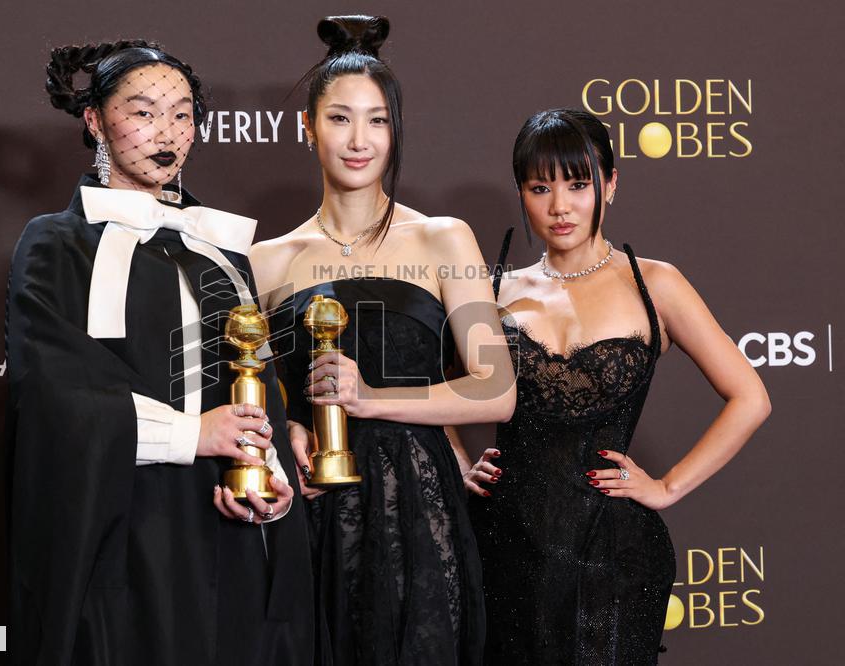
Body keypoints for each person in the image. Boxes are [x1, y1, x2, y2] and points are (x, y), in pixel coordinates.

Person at [5, 40, 313, 665]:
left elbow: (257, 384)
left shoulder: (219, 250)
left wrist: (270, 478)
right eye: (143, 112)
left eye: (181, 114)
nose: (165, 132)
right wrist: (192, 435)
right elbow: (54, 391)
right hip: (119, 522)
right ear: (94, 119)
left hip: (223, 524)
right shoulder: (56, 243)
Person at [250, 15, 514, 666]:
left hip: (416, 516)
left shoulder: (441, 238)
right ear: (307, 127)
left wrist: (371, 397)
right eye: (340, 119)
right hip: (309, 517)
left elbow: (496, 389)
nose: (359, 139)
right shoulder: (264, 261)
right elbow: (251, 402)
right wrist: (287, 430)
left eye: (377, 120)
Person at [463, 108, 771, 664]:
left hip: (616, 551)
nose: (560, 207)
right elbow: (426, 388)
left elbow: (751, 398)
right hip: (504, 547)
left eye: (579, 185)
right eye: (540, 188)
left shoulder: (656, 284)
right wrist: (457, 460)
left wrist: (670, 486)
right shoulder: (491, 291)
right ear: (522, 193)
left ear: (610, 184)